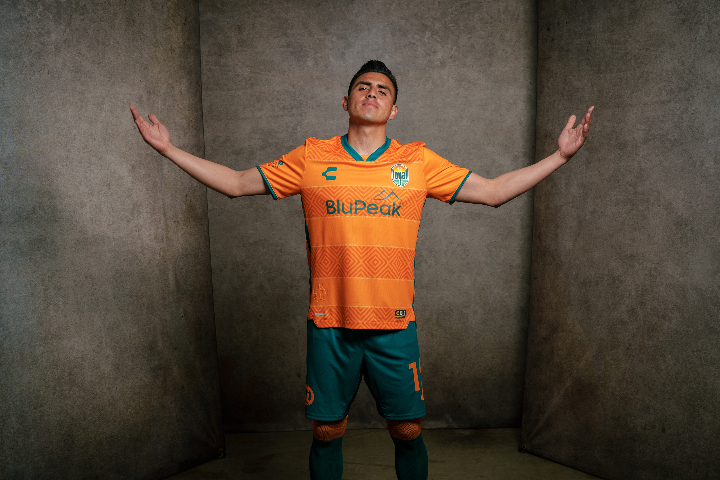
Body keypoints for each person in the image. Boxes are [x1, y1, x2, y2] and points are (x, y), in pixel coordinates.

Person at [130, 60, 593, 480]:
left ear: (394, 110)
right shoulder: (311, 157)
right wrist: (169, 149)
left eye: (383, 90)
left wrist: (559, 157)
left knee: (407, 430)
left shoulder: (417, 162)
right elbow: (235, 183)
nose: (372, 93)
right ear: (346, 101)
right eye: (363, 87)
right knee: (326, 431)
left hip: (394, 323)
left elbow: (492, 191)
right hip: (330, 322)